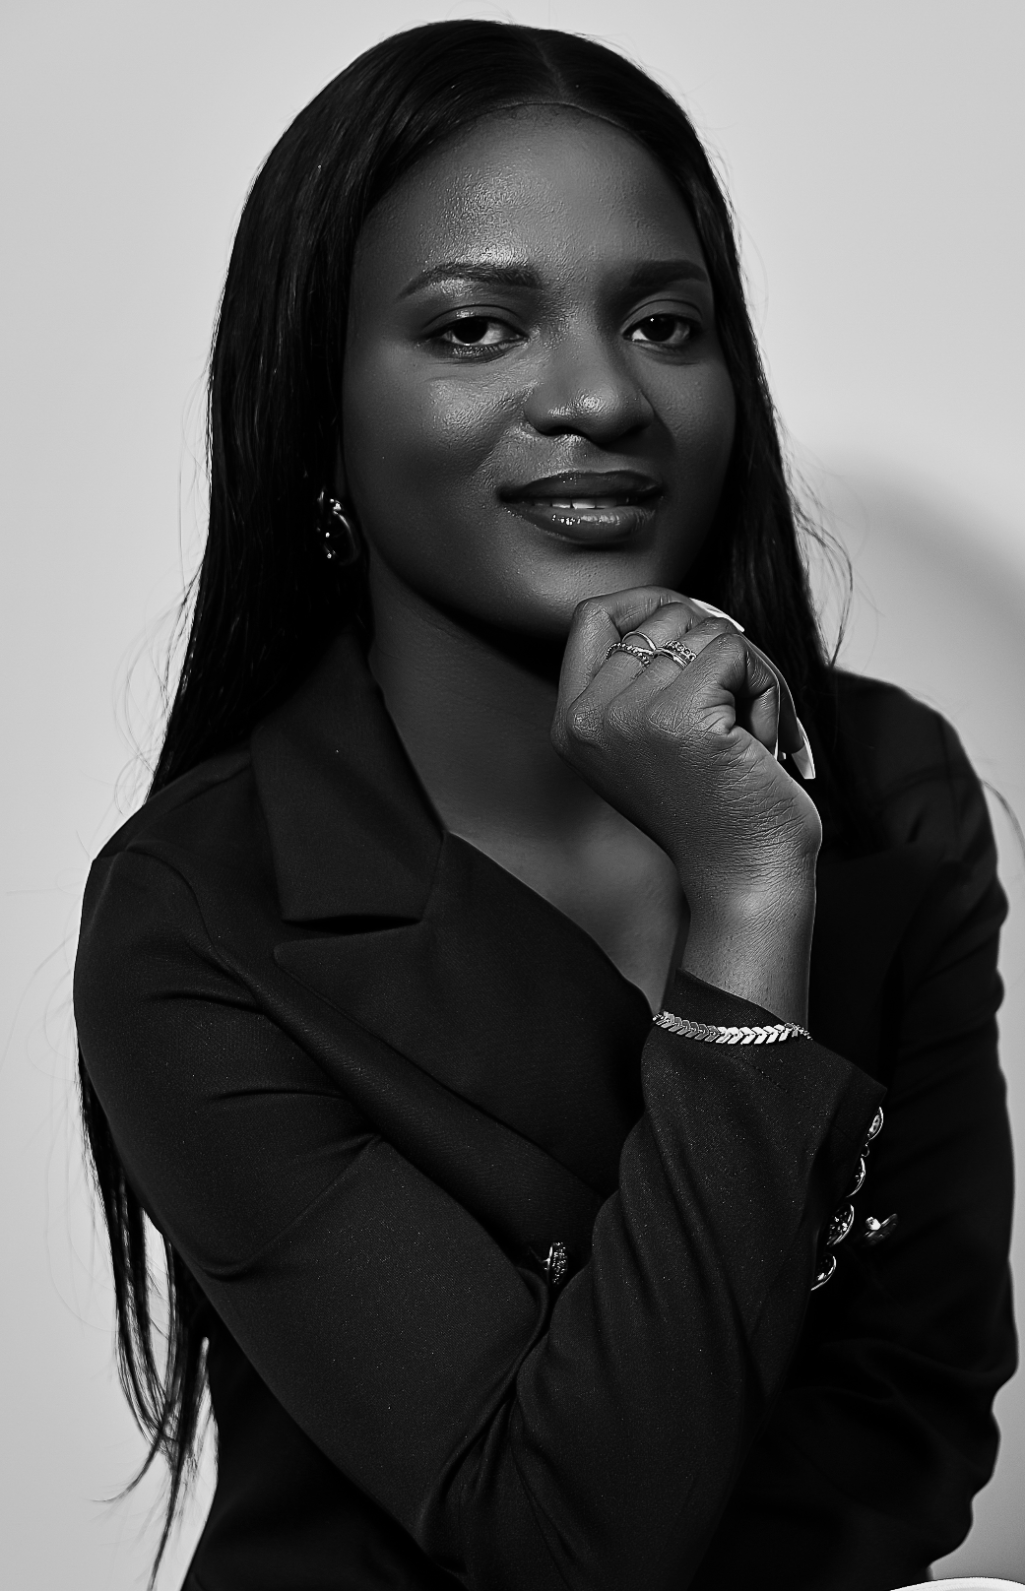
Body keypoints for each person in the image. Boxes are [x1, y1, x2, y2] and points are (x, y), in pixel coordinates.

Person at [73, 20, 1015, 1591]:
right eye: (474, 329)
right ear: (318, 408)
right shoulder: (203, 909)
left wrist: (767, 858)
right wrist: (746, 904)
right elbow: (560, 1548)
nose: (599, 393)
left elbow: (917, 1410)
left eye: (663, 322)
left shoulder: (890, 791)